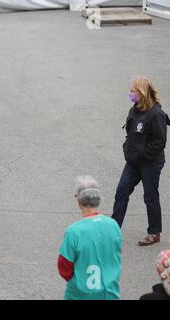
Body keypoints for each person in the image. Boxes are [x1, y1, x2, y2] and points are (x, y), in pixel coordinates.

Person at [112, 78, 169, 246]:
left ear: (142, 93)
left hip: (150, 163)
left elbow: (160, 142)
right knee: (121, 192)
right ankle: (113, 230)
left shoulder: (156, 114)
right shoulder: (135, 109)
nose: (131, 94)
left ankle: (154, 233)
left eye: (133, 91)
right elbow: (130, 133)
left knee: (150, 196)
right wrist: (127, 149)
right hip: (133, 161)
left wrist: (143, 155)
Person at [58, 175, 122, 300]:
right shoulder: (113, 225)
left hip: (80, 295)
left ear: (79, 200)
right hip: (109, 293)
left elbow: (64, 267)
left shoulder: (74, 231)